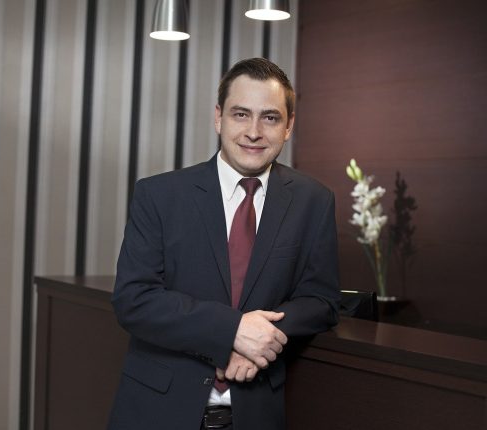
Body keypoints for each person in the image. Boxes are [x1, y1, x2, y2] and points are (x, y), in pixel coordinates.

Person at [108, 57, 340, 430]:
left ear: (288, 126)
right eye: (240, 114)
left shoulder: (314, 201)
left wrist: (261, 340)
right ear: (218, 118)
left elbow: (321, 300)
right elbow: (133, 299)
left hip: (256, 413)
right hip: (157, 412)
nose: (254, 132)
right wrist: (232, 332)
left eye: (270, 117)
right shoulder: (159, 195)